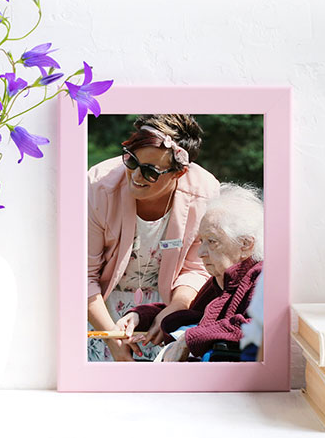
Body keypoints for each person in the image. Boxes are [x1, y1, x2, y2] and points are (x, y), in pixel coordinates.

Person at [87, 114, 220, 362]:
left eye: (150, 171)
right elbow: (83, 275)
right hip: (100, 308)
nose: (136, 177)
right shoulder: (98, 187)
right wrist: (111, 336)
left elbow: (196, 268)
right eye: (131, 161)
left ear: (178, 173)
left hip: (168, 306)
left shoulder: (205, 193)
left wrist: (174, 311)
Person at [117, 184, 264, 362]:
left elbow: (252, 326)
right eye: (201, 241)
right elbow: (194, 316)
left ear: (246, 244)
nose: (201, 252)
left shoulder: (261, 278)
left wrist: (189, 339)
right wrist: (141, 316)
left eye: (212, 241)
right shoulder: (220, 281)